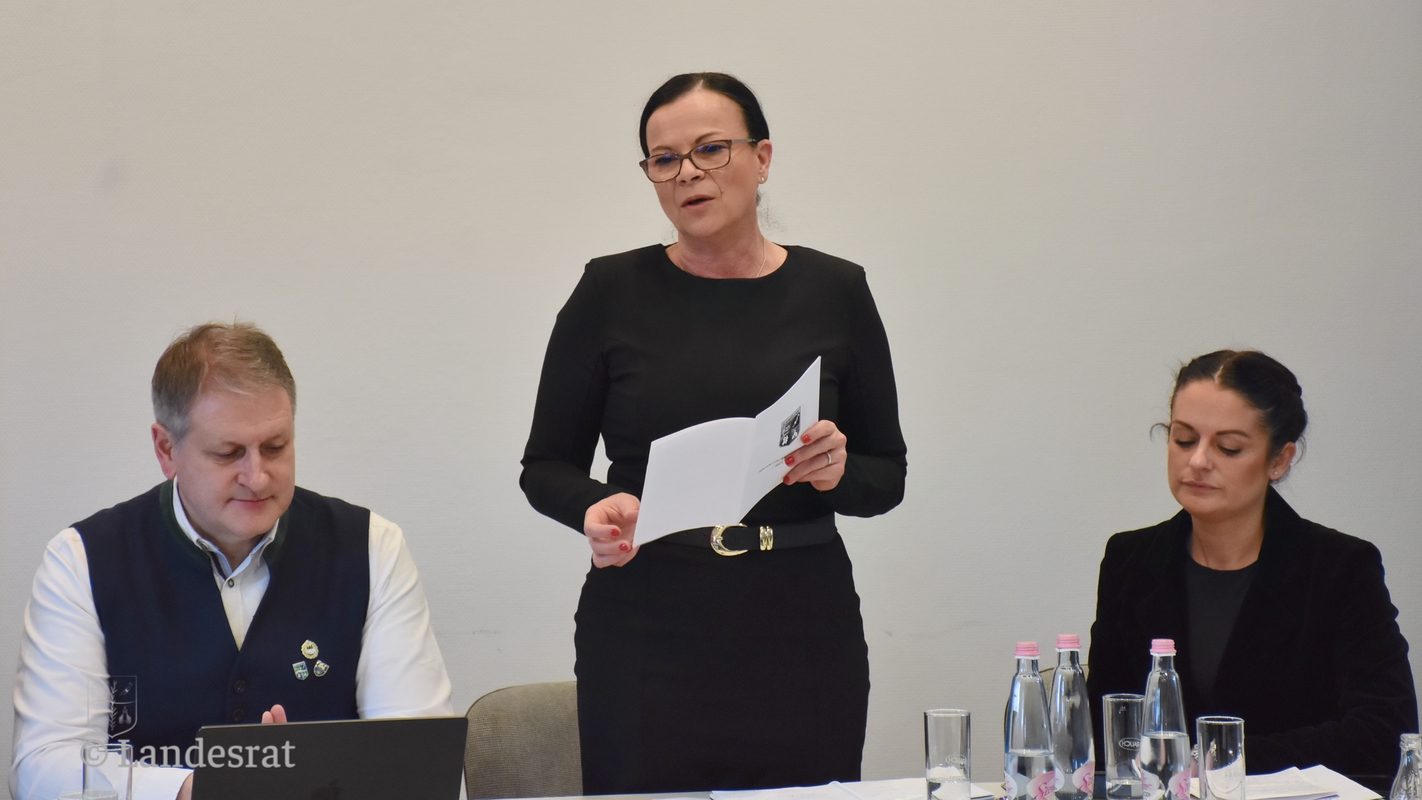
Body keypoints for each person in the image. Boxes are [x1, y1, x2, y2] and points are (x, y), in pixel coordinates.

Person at [519, 72, 907, 793]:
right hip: (646, 627)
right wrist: (595, 508)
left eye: (710, 149)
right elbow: (544, 466)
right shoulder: (609, 292)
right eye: (664, 159)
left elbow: (886, 476)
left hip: (802, 625)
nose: (687, 173)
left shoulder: (837, 291)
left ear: (762, 159)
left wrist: (836, 472)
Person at [10, 322, 453, 800]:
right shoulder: (82, 562)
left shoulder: (370, 548)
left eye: (275, 447)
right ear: (166, 449)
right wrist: (194, 789)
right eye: (228, 454)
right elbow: (44, 768)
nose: (257, 477)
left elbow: (418, 756)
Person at [1086, 350, 1417, 791]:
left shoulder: (1341, 568)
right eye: (1184, 439)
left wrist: (1219, 760)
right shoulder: (1129, 559)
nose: (1198, 461)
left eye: (1228, 448)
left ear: (1279, 460)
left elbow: (1384, 733)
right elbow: (1106, 726)